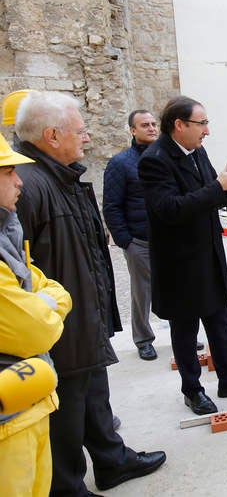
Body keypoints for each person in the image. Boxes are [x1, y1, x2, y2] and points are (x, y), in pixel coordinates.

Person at [14, 90, 166, 494]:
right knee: (67, 408)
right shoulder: (29, 185)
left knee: (94, 394)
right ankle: (68, 486)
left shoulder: (60, 177)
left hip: (82, 317)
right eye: (80, 131)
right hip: (59, 326)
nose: (87, 138)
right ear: (51, 135)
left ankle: (112, 460)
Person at [138, 95, 227, 415]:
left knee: (219, 320)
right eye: (202, 123)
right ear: (179, 125)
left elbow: (210, 197)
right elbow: (170, 210)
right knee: (185, 330)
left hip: (207, 254)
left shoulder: (197, 151)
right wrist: (218, 187)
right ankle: (192, 390)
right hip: (179, 263)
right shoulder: (155, 161)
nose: (207, 131)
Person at [0, 133, 71, 497]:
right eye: (8, 172)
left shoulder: (6, 231)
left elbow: (50, 286)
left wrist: (43, 301)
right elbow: (36, 331)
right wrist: (43, 304)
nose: (19, 182)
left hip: (29, 403)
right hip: (6, 423)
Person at [103, 110, 159, 361]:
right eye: (144, 125)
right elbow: (111, 206)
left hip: (169, 239)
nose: (151, 128)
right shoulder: (120, 163)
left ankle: (184, 333)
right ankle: (144, 339)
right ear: (132, 130)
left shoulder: (165, 157)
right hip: (139, 240)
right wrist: (125, 241)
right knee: (142, 292)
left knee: (179, 287)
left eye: (153, 124)